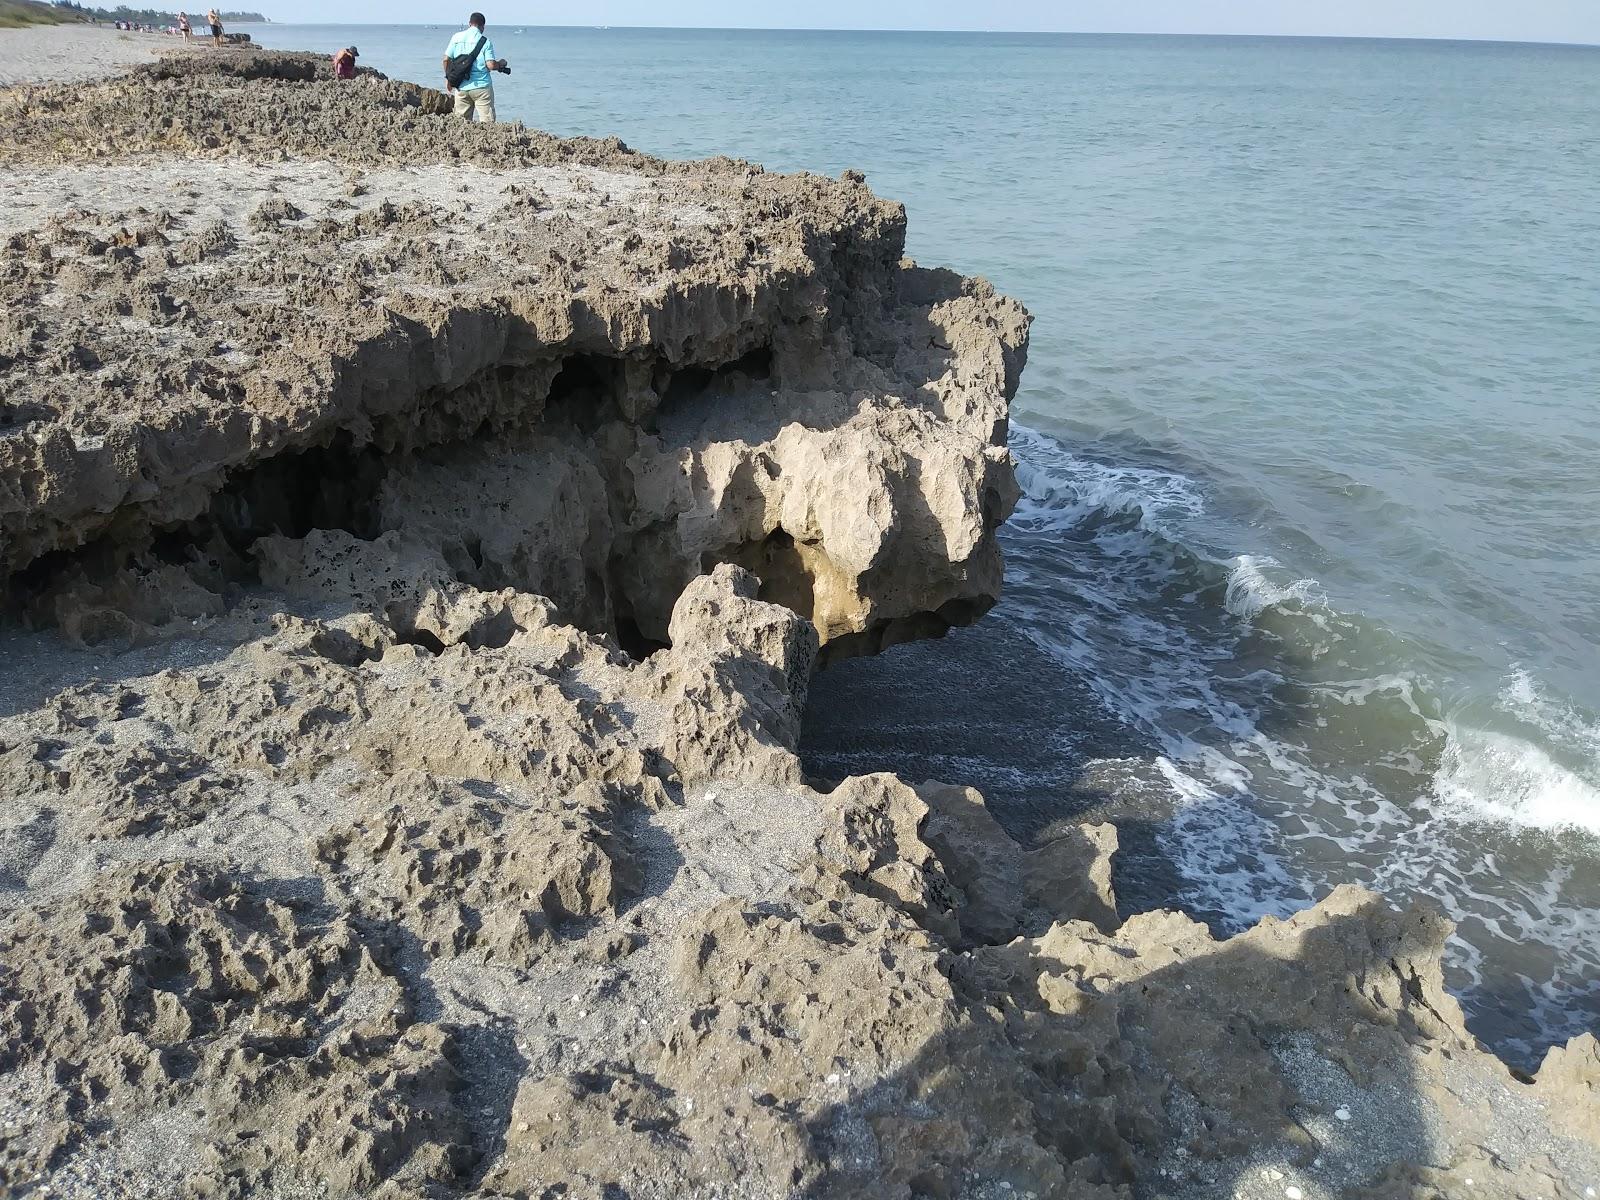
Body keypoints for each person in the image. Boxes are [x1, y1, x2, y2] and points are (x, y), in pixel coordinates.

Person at [442, 13, 508, 124]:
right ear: (483, 26)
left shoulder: (456, 37)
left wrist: (449, 79)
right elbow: (491, 65)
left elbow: (445, 60)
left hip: (461, 86)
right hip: (482, 87)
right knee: (488, 124)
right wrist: (500, 64)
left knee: (460, 124)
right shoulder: (485, 41)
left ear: (469, 24)